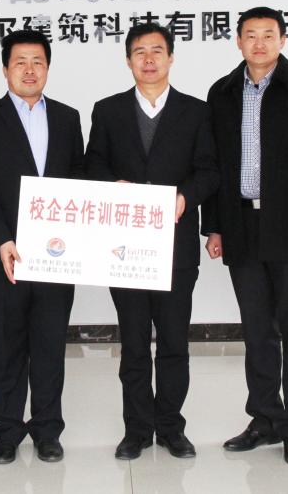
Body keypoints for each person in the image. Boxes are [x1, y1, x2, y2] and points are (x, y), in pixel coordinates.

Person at [202, 7, 288, 466]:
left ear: (283, 40)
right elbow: (213, 166)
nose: (259, 43)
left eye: (268, 34)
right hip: (241, 224)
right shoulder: (221, 92)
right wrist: (214, 225)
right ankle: (264, 418)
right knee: (257, 331)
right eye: (250, 35)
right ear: (238, 41)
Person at [84, 23, 219, 461]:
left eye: (157, 51)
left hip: (175, 248)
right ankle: (137, 430)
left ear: (171, 58)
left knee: (175, 343)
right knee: (135, 343)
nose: (148, 59)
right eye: (139, 52)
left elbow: (209, 171)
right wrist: (113, 184)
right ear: (128, 60)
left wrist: (185, 198)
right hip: (124, 249)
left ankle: (172, 428)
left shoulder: (196, 112)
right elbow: (92, 165)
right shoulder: (108, 110)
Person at [0, 30, 84, 465]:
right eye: (20, 62)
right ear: (5, 69)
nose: (29, 70)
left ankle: (47, 430)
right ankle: (8, 430)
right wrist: (1, 238)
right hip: (4, 254)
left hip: (57, 255)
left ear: (47, 68)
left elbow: (79, 183)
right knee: (8, 344)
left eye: (37, 62)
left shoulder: (68, 118)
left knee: (50, 345)